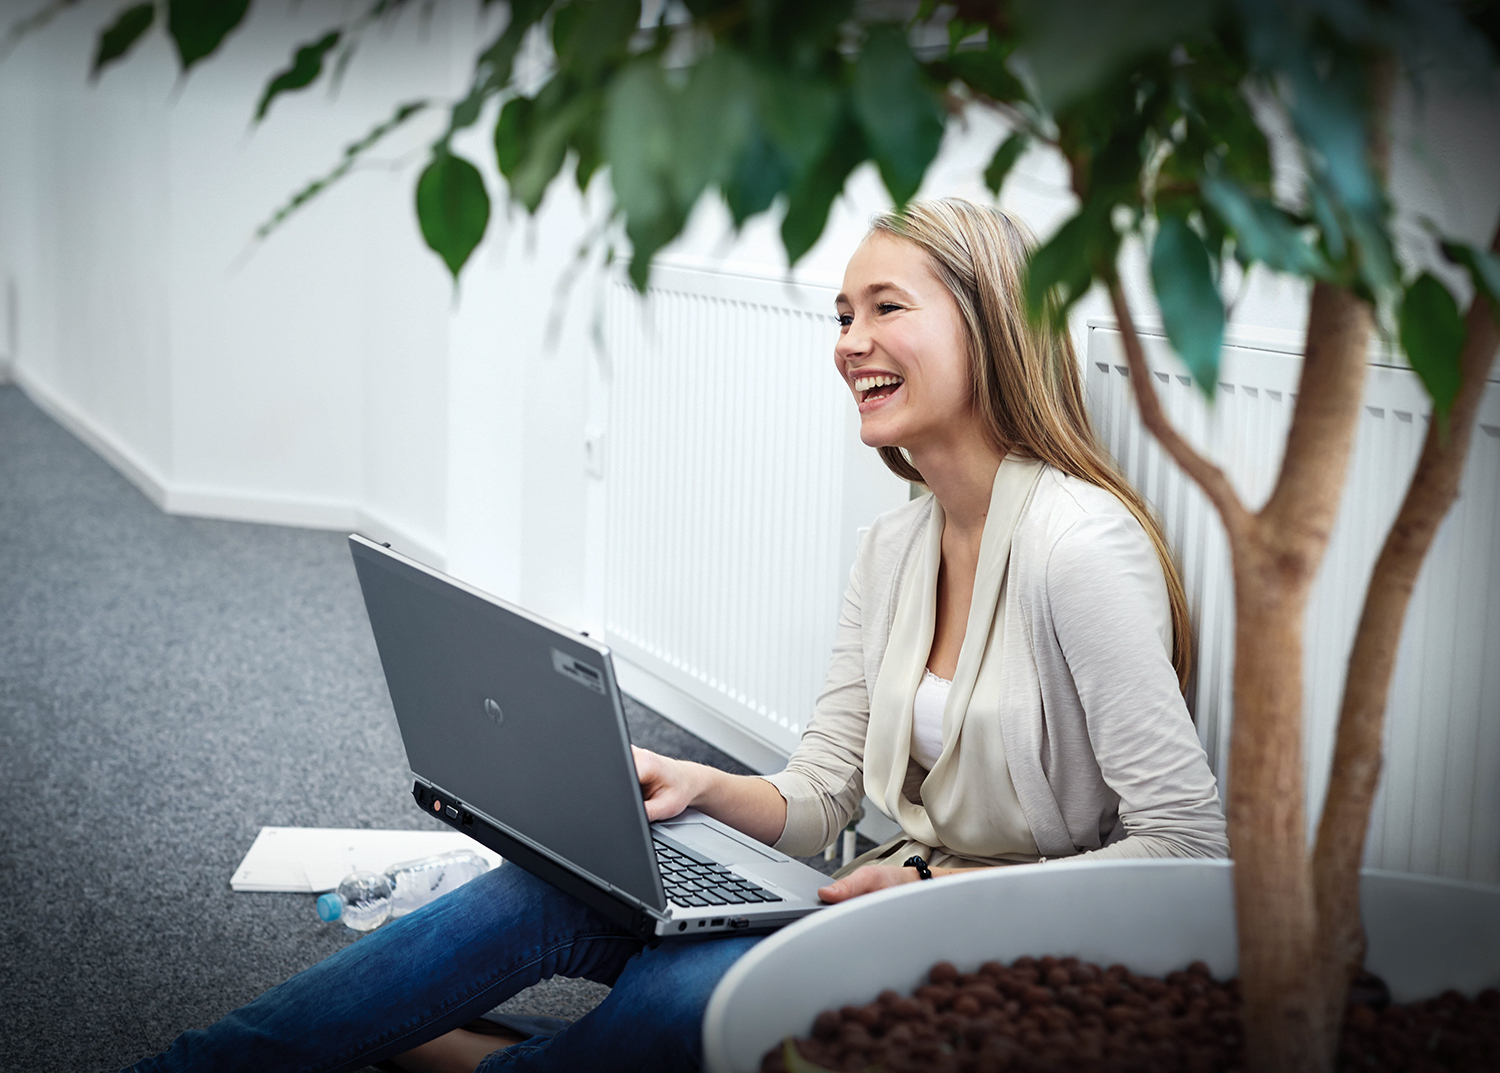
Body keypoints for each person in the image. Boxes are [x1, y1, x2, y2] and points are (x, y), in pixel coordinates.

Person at [122, 198, 1226, 1073]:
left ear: (992, 325)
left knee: (679, 993)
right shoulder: (896, 546)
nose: (851, 342)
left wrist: (934, 883)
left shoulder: (1079, 548)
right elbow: (825, 796)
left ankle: (431, 1042)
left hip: (998, 949)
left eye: (886, 307)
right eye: (842, 315)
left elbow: (1188, 845)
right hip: (856, 904)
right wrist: (697, 784)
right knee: (541, 884)